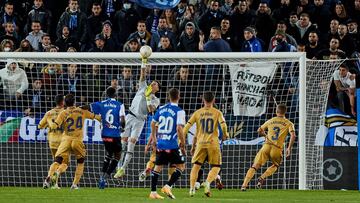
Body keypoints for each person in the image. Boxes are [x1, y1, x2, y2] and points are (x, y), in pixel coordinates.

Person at [45, 94, 101, 189]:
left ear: (65, 103)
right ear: (74, 102)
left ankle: (49, 178)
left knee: (57, 160)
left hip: (66, 140)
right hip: (77, 141)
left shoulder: (63, 113)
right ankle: (74, 184)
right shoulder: (82, 111)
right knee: (80, 162)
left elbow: (55, 126)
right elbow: (96, 117)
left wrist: (49, 121)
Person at [114, 65, 161, 178]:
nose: (152, 84)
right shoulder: (143, 87)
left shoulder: (156, 100)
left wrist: (148, 97)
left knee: (131, 143)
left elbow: (151, 110)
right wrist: (143, 64)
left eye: (155, 84)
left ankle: (123, 169)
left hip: (140, 121)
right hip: (130, 116)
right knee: (122, 142)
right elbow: (142, 75)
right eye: (152, 82)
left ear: (157, 89)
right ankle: (118, 166)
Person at [183, 91, 229, 197]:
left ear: (203, 100)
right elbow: (223, 125)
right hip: (213, 143)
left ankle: (191, 189)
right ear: (213, 100)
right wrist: (225, 134)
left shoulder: (197, 113)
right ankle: (208, 182)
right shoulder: (217, 112)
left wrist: (181, 140)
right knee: (216, 166)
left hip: (200, 143)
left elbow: (186, 127)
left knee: (196, 166)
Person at [241, 104, 296, 191]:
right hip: (277, 148)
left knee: (255, 166)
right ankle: (262, 177)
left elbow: (259, 130)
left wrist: (265, 135)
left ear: (276, 111)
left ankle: (244, 185)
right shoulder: (289, 123)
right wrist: (289, 148)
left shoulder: (270, 121)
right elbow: (293, 135)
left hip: (266, 146)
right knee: (276, 165)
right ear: (285, 112)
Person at [148, 88, 186, 199]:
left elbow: (153, 123)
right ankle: (167, 186)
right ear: (179, 96)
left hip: (161, 143)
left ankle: (153, 192)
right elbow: (179, 128)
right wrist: (182, 145)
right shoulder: (180, 111)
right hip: (172, 144)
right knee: (181, 166)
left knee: (157, 168)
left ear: (169, 97)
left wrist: (154, 139)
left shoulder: (161, 108)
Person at [88, 87, 126, 189]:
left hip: (104, 135)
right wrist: (122, 127)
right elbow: (122, 120)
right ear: (115, 94)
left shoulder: (101, 103)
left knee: (109, 154)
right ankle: (106, 177)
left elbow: (88, 107)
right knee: (117, 155)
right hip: (115, 135)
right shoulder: (120, 105)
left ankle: (101, 177)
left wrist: (77, 108)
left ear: (106, 94)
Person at [39, 95, 68, 189]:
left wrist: (48, 124)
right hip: (63, 142)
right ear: (63, 102)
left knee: (56, 162)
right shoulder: (66, 113)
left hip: (52, 142)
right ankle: (51, 177)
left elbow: (40, 126)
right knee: (65, 164)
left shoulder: (49, 113)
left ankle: (53, 183)